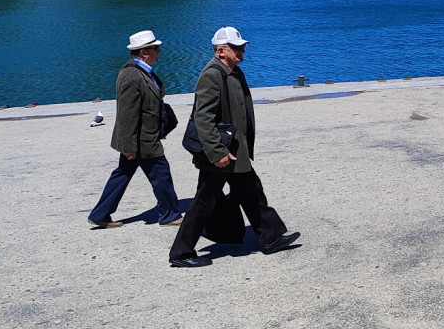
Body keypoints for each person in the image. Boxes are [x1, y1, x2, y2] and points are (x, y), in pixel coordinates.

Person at [168, 26, 299, 268]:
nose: (242, 51)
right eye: (237, 48)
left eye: (242, 47)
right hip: (221, 152)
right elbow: (203, 118)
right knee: (204, 202)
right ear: (220, 51)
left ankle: (270, 238)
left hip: (236, 151)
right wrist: (217, 152)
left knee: (252, 193)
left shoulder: (233, 71)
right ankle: (181, 252)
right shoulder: (212, 75)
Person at [88, 30, 184, 229]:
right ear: (143, 52)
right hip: (141, 140)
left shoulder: (143, 71)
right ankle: (169, 215)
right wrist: (129, 145)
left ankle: (100, 214)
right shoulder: (132, 75)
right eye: (155, 48)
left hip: (142, 138)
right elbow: (127, 113)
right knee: (161, 174)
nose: (159, 51)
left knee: (123, 173)